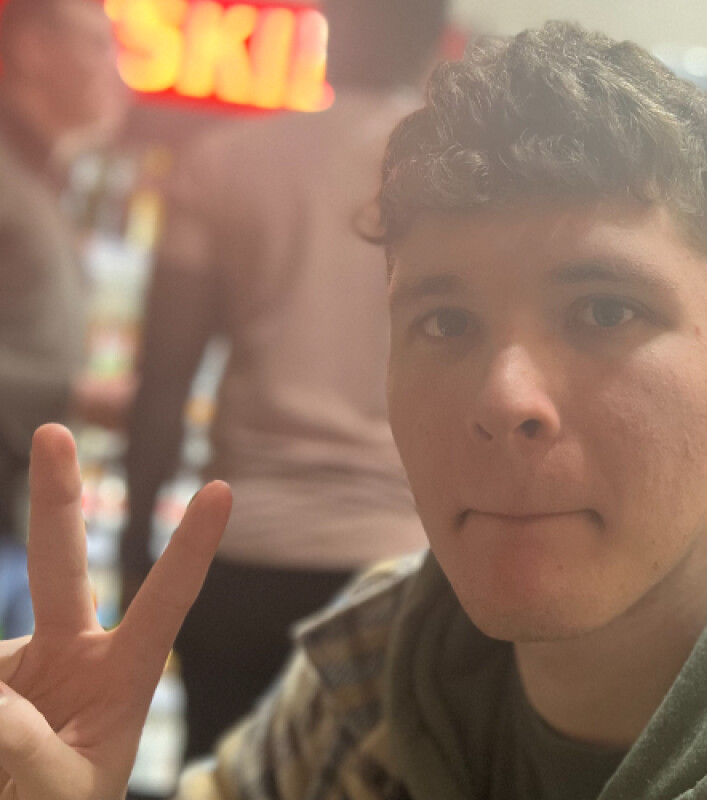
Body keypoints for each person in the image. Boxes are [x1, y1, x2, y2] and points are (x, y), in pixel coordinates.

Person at [0, 18, 707, 800]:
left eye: (605, 312)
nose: (504, 398)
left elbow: (164, 381)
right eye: (446, 323)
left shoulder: (230, 167)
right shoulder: (364, 670)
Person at [120, 0, 447, 760]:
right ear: (433, 44)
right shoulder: (454, 183)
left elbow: (163, 380)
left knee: (218, 777)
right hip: (401, 562)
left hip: (243, 553)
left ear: (331, 32)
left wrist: (140, 552)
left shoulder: (225, 161)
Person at [0, 0, 131, 548]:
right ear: (32, 48)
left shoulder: (41, 177)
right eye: (97, 45)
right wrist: (75, 394)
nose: (116, 71)